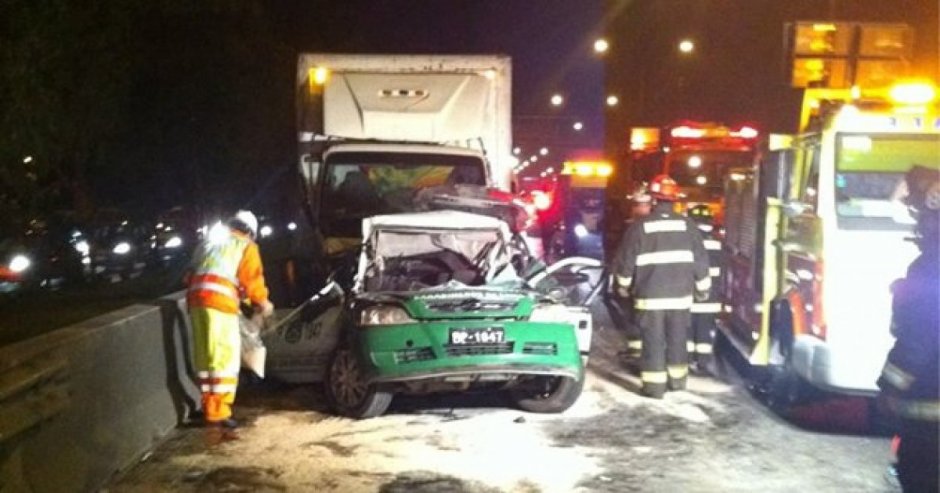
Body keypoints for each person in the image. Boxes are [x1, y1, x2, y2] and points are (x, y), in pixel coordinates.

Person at [613, 175, 710, 398]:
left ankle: (655, 387)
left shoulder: (640, 227)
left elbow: (627, 261)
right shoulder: (688, 226)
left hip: (650, 296)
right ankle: (677, 382)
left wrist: (623, 286)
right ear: (674, 199)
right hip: (681, 296)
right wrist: (702, 288)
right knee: (677, 337)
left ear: (654, 200)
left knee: (653, 340)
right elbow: (700, 260)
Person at [877, 165, 939, 492]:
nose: (918, 223)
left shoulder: (931, 265)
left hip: (931, 421)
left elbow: (919, 338)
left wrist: (888, 386)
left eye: (920, 214)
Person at [186, 210, 274, 429]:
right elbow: (252, 279)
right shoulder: (246, 245)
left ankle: (209, 408)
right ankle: (219, 412)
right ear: (250, 232)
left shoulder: (211, 242)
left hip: (196, 301)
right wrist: (263, 302)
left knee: (205, 357)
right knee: (224, 358)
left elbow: (192, 273)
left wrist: (240, 296)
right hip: (219, 304)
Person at [687, 204, 723, 375]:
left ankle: (687, 360)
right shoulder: (717, 243)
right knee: (704, 331)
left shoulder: (689, 243)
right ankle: (703, 362)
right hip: (710, 299)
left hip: (691, 297)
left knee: (687, 330)